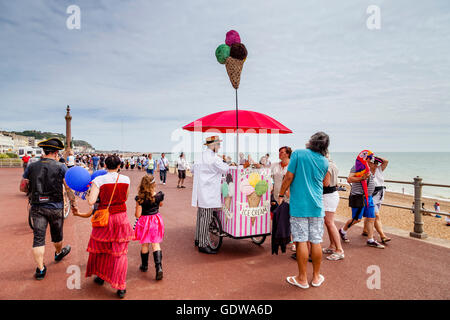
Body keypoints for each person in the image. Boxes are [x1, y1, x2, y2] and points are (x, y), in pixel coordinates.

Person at [19, 138, 76, 280]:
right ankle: (58, 253)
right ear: (56, 152)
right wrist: (73, 204)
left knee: (38, 238)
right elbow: (68, 187)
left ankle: (40, 269)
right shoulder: (61, 167)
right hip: (56, 206)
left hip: (37, 206)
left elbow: (22, 187)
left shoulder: (32, 166)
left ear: (44, 151)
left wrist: (32, 189)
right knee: (57, 235)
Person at [280, 132, 329, 289]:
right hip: (317, 205)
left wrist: (281, 194)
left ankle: (301, 279)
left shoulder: (299, 154)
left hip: (299, 205)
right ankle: (315, 277)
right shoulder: (324, 161)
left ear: (311, 141)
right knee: (316, 241)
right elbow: (323, 182)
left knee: (301, 240)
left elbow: (288, 177)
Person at [85, 155, 134, 299]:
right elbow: (125, 197)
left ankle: (101, 276)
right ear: (119, 166)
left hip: (105, 217)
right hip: (121, 217)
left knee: (101, 248)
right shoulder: (126, 179)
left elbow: (91, 201)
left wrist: (88, 194)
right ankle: (121, 286)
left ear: (105, 166)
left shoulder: (98, 180)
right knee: (120, 253)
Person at [191, 136, 231, 254]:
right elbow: (225, 169)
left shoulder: (200, 156)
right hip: (208, 192)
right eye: (218, 144)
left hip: (200, 191)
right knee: (206, 218)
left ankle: (198, 239)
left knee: (201, 216)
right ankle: (203, 245)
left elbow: (192, 169)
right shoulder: (214, 158)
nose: (219, 147)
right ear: (213, 145)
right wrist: (226, 161)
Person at [339, 151, 385, 249]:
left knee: (371, 217)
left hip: (369, 197)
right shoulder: (356, 167)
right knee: (357, 219)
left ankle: (370, 239)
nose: (371, 160)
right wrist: (362, 178)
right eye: (370, 158)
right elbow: (349, 179)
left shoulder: (369, 168)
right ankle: (343, 230)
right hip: (358, 196)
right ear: (365, 158)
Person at [134, 175, 165, 280]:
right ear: (153, 184)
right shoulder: (158, 195)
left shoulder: (140, 198)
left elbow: (137, 215)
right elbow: (160, 205)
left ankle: (144, 265)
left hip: (145, 222)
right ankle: (159, 268)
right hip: (155, 220)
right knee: (156, 244)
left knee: (145, 245)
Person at [362, 156, 391, 244]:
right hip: (371, 195)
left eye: (376, 162)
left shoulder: (379, 169)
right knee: (376, 215)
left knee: (370, 215)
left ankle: (365, 230)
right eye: (373, 162)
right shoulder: (366, 171)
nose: (376, 164)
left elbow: (386, 161)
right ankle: (383, 236)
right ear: (369, 163)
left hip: (380, 195)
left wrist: (376, 157)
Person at [322, 155, 345, 261]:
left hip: (328, 195)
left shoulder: (326, 166)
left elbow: (325, 183)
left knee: (330, 222)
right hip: (331, 194)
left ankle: (339, 250)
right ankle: (332, 246)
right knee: (328, 222)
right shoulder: (333, 165)